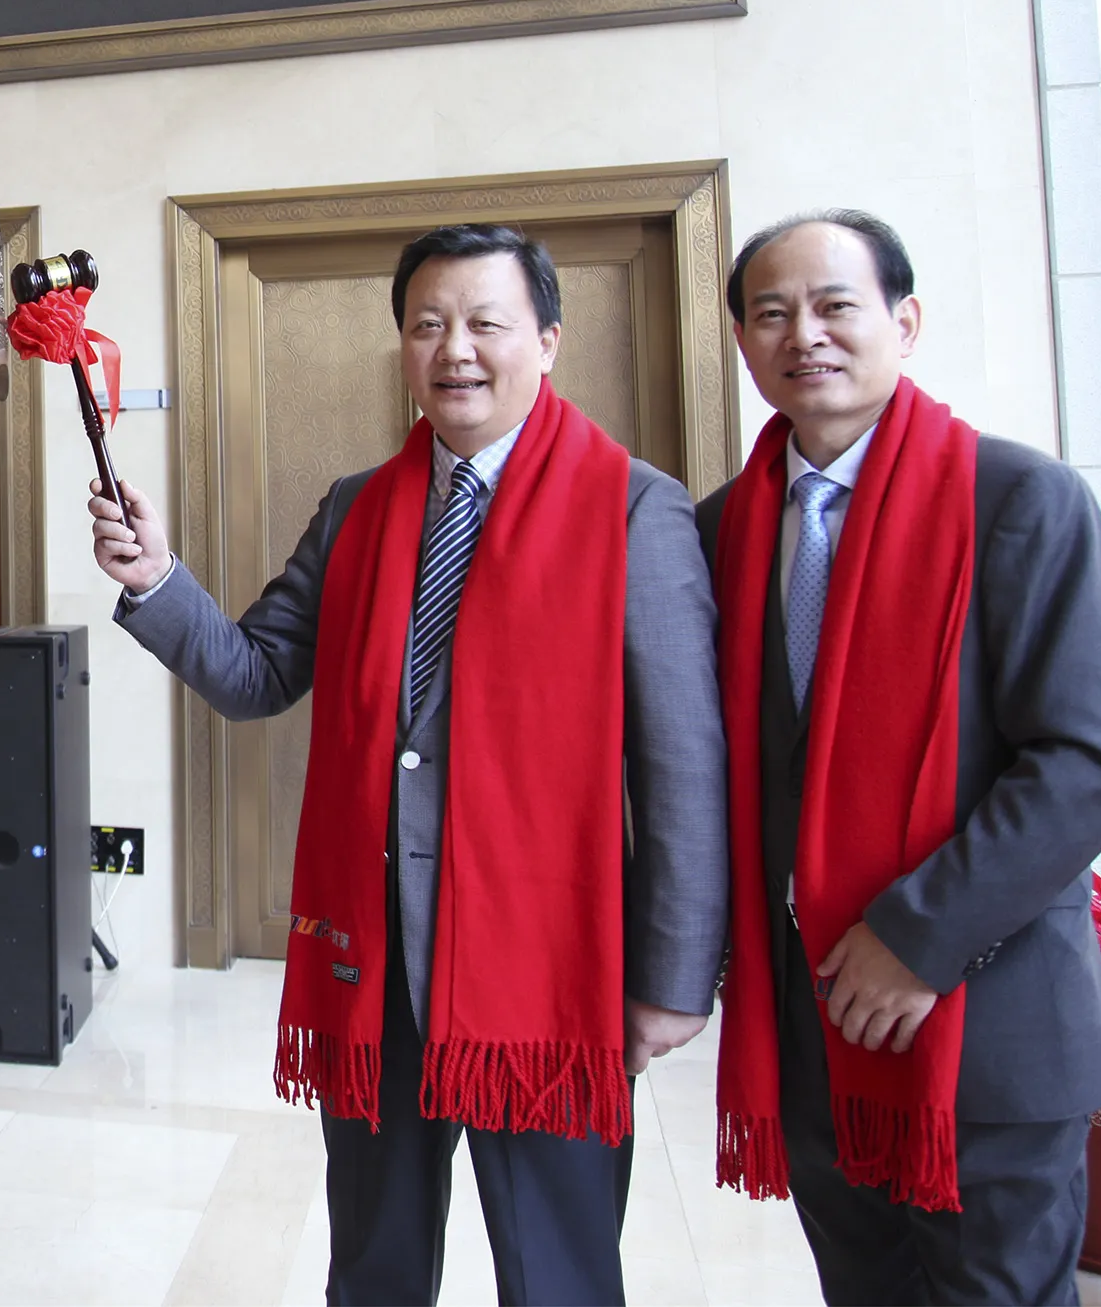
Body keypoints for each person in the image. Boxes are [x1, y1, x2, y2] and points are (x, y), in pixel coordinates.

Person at [90, 224, 727, 1306]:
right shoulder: (359, 506)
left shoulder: (632, 505)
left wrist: (672, 977)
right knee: (375, 1267)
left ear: (548, 339)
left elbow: (683, 763)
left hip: (545, 968)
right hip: (375, 957)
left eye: (485, 323)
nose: (455, 349)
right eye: (427, 324)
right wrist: (158, 578)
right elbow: (254, 673)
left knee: (558, 1273)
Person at [700, 210, 1101, 1303]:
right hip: (813, 1027)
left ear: (905, 321)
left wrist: (917, 935)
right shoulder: (721, 530)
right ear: (743, 343)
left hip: (987, 1027)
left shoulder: (1019, 500)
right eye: (772, 313)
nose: (805, 333)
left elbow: (1090, 757)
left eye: (835, 304)